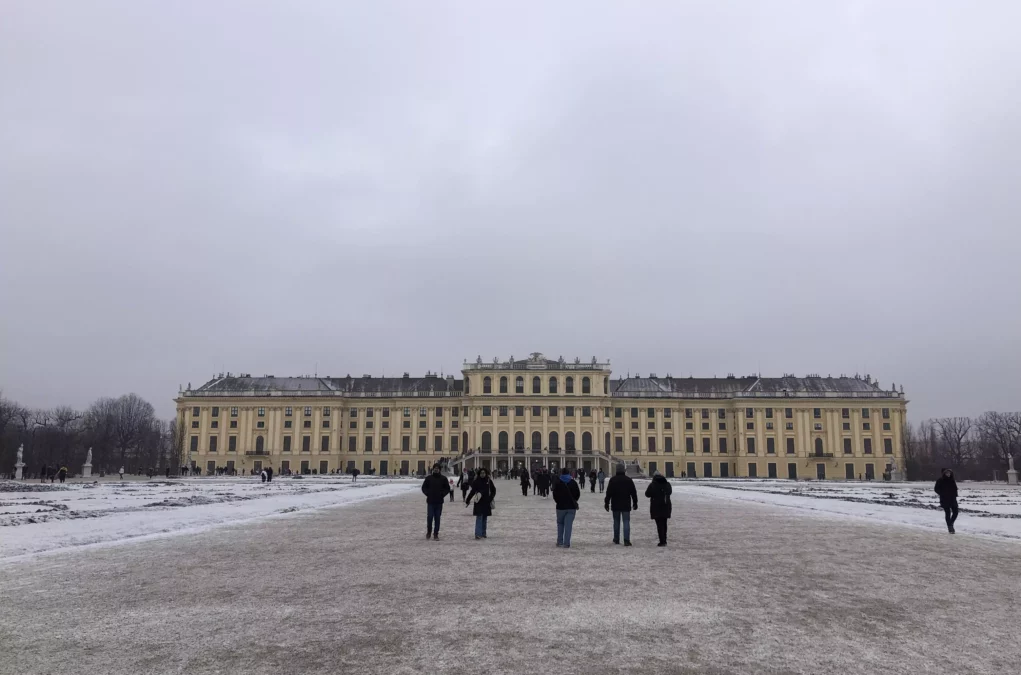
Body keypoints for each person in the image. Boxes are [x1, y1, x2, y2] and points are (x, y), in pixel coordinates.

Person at [604, 463, 638, 545]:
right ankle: (626, 540)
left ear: (616, 470)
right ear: (624, 470)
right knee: (626, 521)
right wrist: (635, 502)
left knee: (616, 521)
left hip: (615, 504)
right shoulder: (628, 480)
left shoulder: (613, 480)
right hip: (626, 504)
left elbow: (609, 493)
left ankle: (616, 539)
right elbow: (633, 492)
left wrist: (606, 503)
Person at [552, 468, 581, 548]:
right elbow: (577, 494)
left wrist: (558, 502)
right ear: (569, 474)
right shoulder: (573, 483)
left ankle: (560, 541)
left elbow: (555, 495)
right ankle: (566, 543)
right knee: (568, 525)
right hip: (571, 507)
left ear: (561, 473)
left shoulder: (558, 483)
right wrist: (574, 500)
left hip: (560, 507)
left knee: (560, 524)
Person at [422, 465, 451, 540]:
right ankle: (429, 532)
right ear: (433, 469)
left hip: (439, 502)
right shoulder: (429, 478)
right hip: (430, 501)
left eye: (437, 469)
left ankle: (436, 534)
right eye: (435, 469)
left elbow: (447, 488)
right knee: (430, 517)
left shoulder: (443, 479)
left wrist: (442, 494)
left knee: (437, 518)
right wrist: (427, 493)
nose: (436, 470)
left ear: (440, 470)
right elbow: (424, 487)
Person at [465, 468, 495, 539]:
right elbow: (472, 492)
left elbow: (493, 490)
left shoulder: (488, 481)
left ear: (486, 473)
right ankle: (478, 534)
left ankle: (483, 533)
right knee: (479, 517)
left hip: (486, 502)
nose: (482, 474)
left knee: (484, 518)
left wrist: (490, 498)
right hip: (478, 502)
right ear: (479, 474)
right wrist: (468, 499)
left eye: (484, 473)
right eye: (481, 473)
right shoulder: (476, 482)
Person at [645, 471, 673, 546]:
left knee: (659, 524)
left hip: (656, 506)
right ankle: (664, 540)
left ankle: (662, 541)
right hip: (666, 505)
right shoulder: (667, 484)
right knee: (664, 523)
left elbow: (647, 494)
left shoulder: (653, 485)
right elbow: (670, 492)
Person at [934, 468, 959, 534]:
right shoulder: (940, 480)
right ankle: (950, 528)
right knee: (947, 513)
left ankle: (950, 524)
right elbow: (936, 489)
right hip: (945, 499)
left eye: (949, 473)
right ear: (944, 473)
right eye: (947, 473)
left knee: (956, 512)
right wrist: (942, 493)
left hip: (952, 499)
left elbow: (955, 488)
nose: (948, 474)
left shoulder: (952, 480)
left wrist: (955, 495)